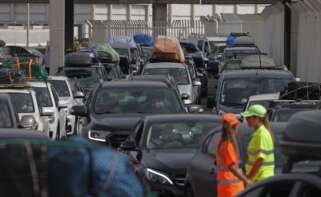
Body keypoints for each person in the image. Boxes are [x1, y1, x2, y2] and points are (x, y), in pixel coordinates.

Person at [216, 113, 251, 197]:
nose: (237, 128)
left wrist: (232, 135)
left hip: (227, 188)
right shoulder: (227, 145)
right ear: (230, 127)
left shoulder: (221, 142)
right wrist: (246, 180)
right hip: (231, 189)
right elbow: (232, 167)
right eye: (235, 126)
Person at [241, 104, 274, 183]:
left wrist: (248, 178)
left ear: (257, 118)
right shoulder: (259, 133)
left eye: (249, 117)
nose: (246, 119)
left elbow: (260, 159)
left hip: (261, 178)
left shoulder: (261, 134)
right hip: (259, 178)